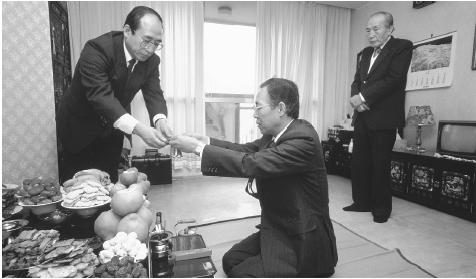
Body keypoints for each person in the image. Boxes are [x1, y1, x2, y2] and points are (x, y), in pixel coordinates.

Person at [170, 78, 338, 277]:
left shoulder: (304, 139)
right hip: (279, 227)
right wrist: (205, 141)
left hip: (303, 238)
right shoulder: (274, 134)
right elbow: (244, 150)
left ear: (281, 108)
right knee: (230, 260)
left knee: (240, 273)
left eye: (259, 108)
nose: (254, 114)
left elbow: (251, 163)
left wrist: (196, 149)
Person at [56, 6, 173, 183]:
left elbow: (154, 93)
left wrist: (160, 120)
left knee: (107, 182)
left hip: (112, 128)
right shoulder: (97, 49)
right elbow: (101, 97)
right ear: (127, 31)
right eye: (147, 40)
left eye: (157, 43)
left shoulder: (151, 61)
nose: (150, 49)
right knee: (77, 187)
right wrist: (141, 130)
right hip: (78, 127)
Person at [343, 11, 413, 223]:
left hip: (384, 118)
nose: (371, 33)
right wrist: (356, 97)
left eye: (376, 29)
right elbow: (357, 80)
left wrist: (363, 97)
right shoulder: (365, 53)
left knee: (380, 164)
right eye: (368, 29)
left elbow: (394, 79)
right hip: (362, 116)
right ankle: (361, 202)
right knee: (360, 162)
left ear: (390, 29)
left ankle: (381, 209)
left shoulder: (402, 47)